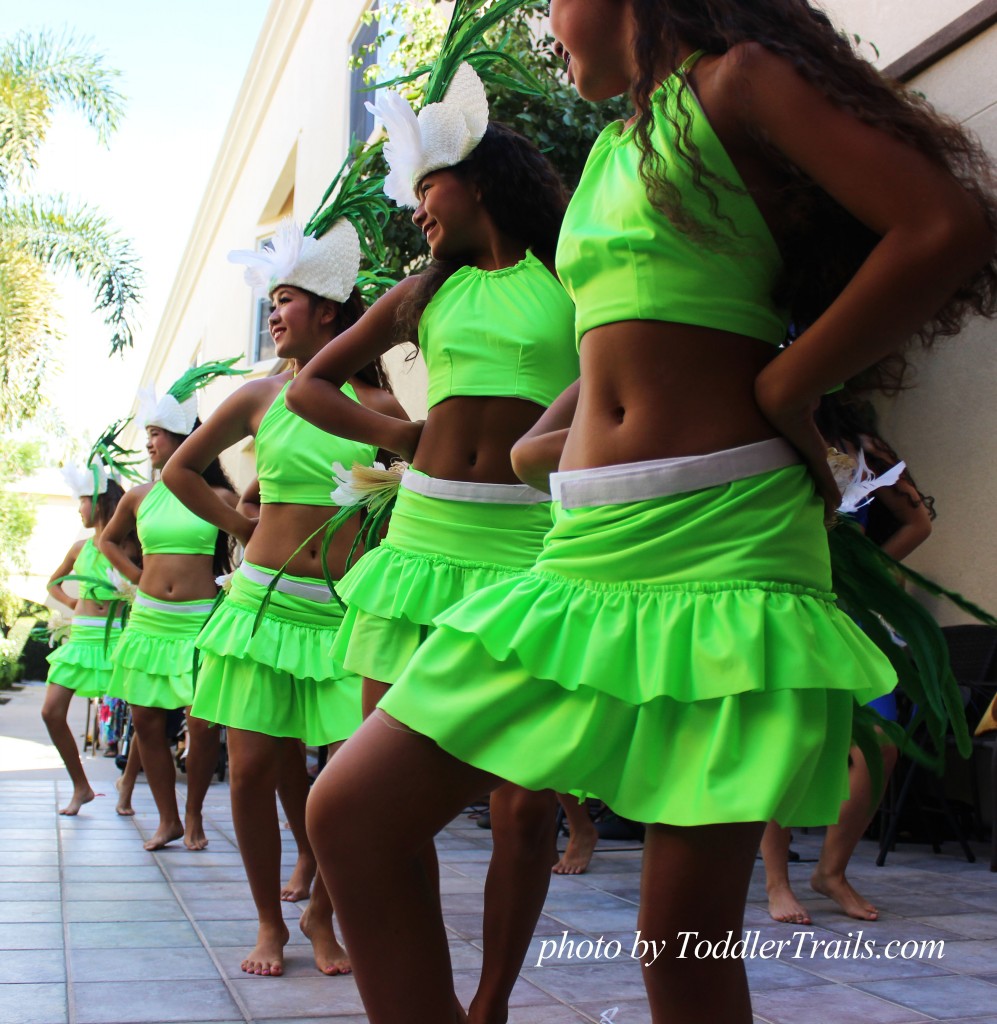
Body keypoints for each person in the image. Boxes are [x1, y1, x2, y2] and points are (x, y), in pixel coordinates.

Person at [300, 1, 997, 1022]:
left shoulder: (739, 79)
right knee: (354, 815)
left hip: (727, 540)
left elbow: (944, 225)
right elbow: (619, 341)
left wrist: (786, 389)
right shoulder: (616, 148)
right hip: (587, 547)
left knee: (678, 942)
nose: (546, 18)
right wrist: (557, 446)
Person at [287, 62, 578, 1022]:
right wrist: (404, 438)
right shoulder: (424, 293)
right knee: (387, 807)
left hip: (528, 555)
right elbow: (309, 386)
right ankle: (429, 1000)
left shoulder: (569, 281)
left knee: (526, 806)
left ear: (479, 179)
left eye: (427, 189)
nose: (417, 210)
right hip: (418, 549)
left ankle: (490, 1001)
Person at [164, 215, 404, 978]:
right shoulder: (259, 396)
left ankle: (321, 912)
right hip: (262, 607)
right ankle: (270, 923)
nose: (273, 312)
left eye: (287, 299)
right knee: (249, 771)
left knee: (348, 783)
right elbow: (179, 471)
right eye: (270, 300)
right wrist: (238, 519)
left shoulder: (390, 413)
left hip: (345, 612)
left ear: (330, 311)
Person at [762, 392, 935, 924]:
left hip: (847, 612)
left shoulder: (860, 447)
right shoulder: (769, 433)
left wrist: (869, 571)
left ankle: (831, 871)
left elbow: (918, 522)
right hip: (785, 599)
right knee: (783, 742)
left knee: (882, 743)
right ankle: (776, 882)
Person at [101, 365, 241, 851]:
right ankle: (167, 819)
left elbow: (256, 536)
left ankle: (194, 813)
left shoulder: (219, 495)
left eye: (156, 435)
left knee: (201, 727)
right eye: (148, 436)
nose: (149, 444)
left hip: (199, 621)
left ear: (183, 438)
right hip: (148, 621)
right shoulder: (139, 497)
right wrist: (141, 579)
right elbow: (108, 541)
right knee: (145, 722)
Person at [44, 463, 133, 816]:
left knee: (146, 716)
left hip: (119, 638)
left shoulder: (130, 544)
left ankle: (126, 782)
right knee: (51, 711)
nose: (79, 509)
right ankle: (81, 786)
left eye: (82, 501)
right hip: (82, 639)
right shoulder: (79, 547)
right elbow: (52, 583)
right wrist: (73, 604)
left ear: (98, 501)